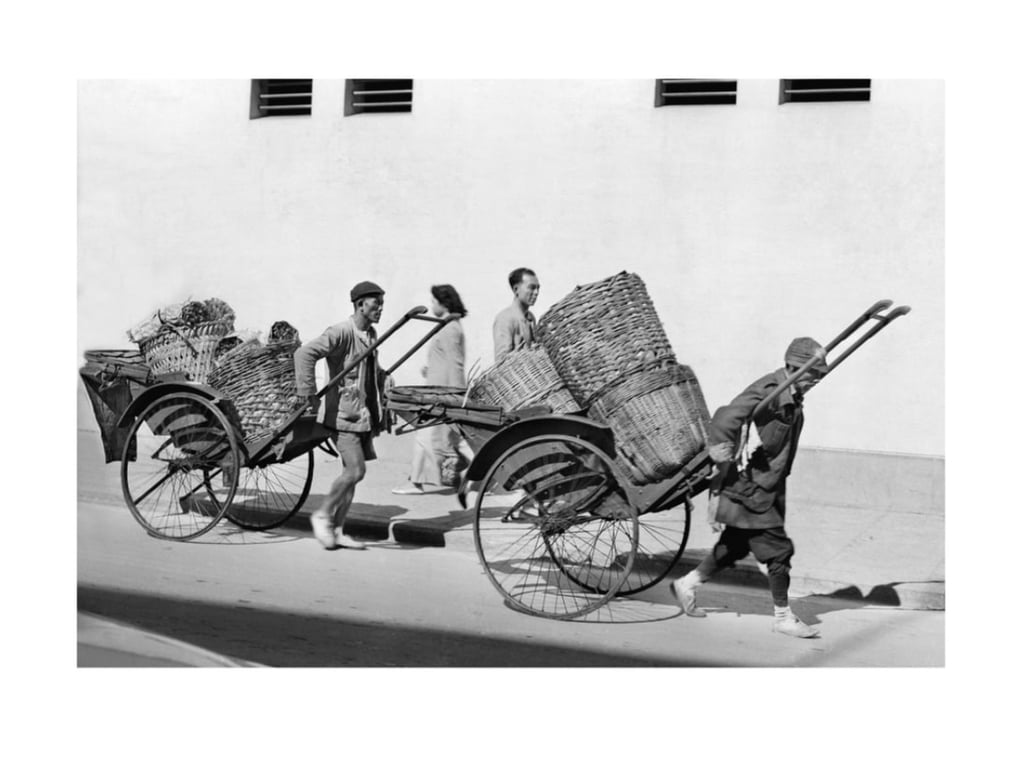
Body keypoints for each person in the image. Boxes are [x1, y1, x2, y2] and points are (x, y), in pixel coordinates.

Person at [669, 337, 829, 639]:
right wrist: (722, 453)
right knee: (778, 551)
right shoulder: (772, 389)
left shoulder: (790, 393)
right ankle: (783, 616)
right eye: (813, 375)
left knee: (735, 545)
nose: (816, 382)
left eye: (819, 376)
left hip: (767, 485)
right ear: (795, 367)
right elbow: (726, 416)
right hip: (750, 485)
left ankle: (686, 584)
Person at [294, 281, 387, 550]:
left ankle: (338, 530)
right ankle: (322, 514)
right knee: (357, 470)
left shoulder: (370, 334)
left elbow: (370, 369)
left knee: (351, 473)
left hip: (362, 414)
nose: (380, 309)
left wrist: (384, 379)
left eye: (382, 304)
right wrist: (308, 392)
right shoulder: (341, 332)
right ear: (360, 304)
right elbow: (305, 353)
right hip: (341, 415)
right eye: (376, 303)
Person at [392, 284, 469, 494]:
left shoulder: (450, 328)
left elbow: (455, 362)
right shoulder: (448, 326)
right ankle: (474, 475)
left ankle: (415, 482)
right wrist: (431, 369)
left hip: (442, 393)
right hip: (439, 389)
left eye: (434, 301)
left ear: (444, 303)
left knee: (427, 436)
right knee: (447, 437)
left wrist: (456, 393)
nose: (432, 305)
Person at [492, 267, 539, 364]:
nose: (536, 292)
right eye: (532, 287)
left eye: (538, 288)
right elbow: (501, 361)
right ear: (516, 289)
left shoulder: (531, 318)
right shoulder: (504, 318)